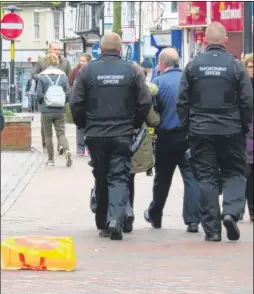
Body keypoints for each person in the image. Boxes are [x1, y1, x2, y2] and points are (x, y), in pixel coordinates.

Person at [70, 32, 152, 240]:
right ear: (120, 50)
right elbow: (145, 102)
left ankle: (103, 223)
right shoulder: (132, 71)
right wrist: (133, 124)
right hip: (122, 133)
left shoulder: (88, 71)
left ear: (101, 49)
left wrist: (84, 124)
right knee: (119, 176)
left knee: (101, 176)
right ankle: (115, 218)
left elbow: (76, 102)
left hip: (95, 134)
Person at [177, 22, 253, 242]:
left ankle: (212, 230)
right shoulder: (236, 67)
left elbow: (182, 101)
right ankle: (230, 212)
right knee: (235, 172)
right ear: (226, 40)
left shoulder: (192, 66)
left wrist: (186, 127)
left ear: (206, 40)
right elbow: (248, 101)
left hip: (200, 131)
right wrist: (244, 125)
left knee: (206, 178)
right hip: (231, 130)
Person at [144, 48, 200, 233]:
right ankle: (192, 220)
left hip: (166, 137)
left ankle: (156, 215)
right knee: (191, 177)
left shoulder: (158, 82)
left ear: (161, 63)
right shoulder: (189, 80)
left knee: (162, 178)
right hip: (189, 136)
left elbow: (152, 111)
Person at [32, 41, 72, 153]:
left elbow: (69, 77)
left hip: (59, 99)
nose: (57, 51)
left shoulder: (65, 62)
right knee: (45, 126)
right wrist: (41, 77)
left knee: (60, 127)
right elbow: (33, 74)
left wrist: (65, 99)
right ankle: (45, 145)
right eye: (55, 49)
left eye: (59, 49)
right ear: (49, 49)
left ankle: (60, 147)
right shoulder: (41, 62)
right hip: (46, 99)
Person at [69, 53, 92, 156]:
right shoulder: (75, 71)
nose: (81, 62)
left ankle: (88, 147)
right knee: (79, 126)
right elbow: (70, 83)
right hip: (78, 102)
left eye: (84, 61)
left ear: (88, 62)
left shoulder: (92, 71)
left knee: (90, 126)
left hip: (89, 103)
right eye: (80, 60)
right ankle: (80, 148)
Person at [241, 53, 254, 221]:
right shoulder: (242, 86)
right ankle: (239, 209)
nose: (253, 71)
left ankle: (252, 209)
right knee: (244, 172)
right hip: (245, 133)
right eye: (250, 67)